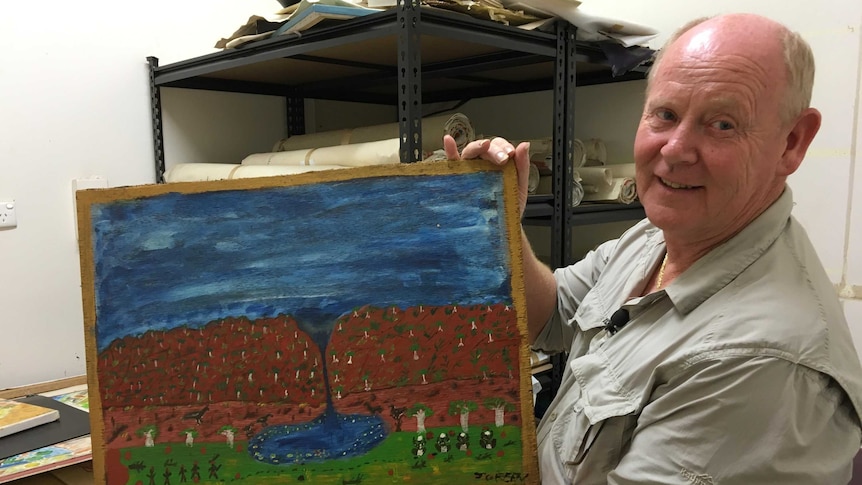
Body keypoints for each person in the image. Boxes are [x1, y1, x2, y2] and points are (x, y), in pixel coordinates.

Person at [444, 12, 862, 484]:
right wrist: (500, 225)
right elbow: (552, 313)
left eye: (722, 124)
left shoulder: (757, 363)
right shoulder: (659, 238)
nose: (676, 149)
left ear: (792, 142)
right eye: (665, 114)